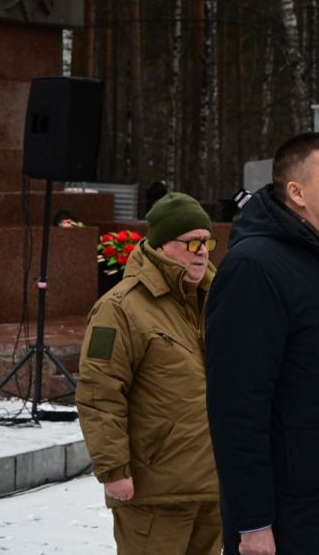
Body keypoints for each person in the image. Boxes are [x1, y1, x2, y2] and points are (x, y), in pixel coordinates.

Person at [205, 132, 319, 555]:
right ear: (297, 193)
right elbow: (238, 407)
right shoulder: (255, 268)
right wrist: (253, 522)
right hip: (296, 521)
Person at [76, 192, 222, 555]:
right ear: (161, 246)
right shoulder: (120, 309)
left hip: (214, 485)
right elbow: (99, 393)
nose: (202, 252)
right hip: (154, 490)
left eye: (207, 242)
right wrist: (114, 469)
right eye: (192, 242)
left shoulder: (218, 299)